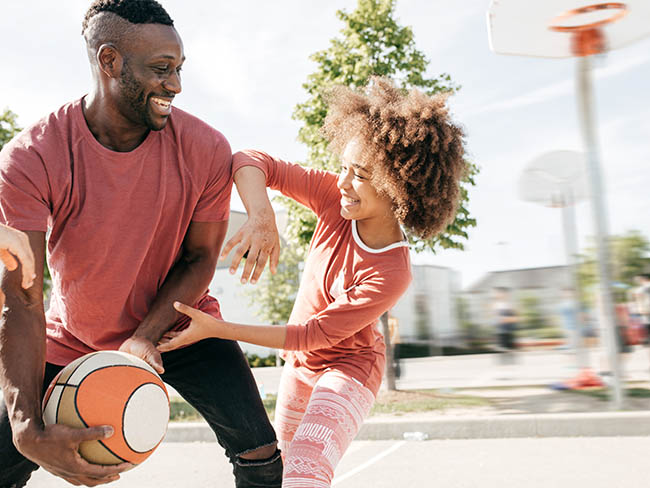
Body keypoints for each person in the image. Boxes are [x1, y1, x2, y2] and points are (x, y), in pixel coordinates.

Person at [0, 1, 282, 487]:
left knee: (261, 455)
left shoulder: (205, 148)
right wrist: (26, 428)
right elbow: (21, 296)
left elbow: (199, 258)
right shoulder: (31, 157)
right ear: (109, 62)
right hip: (73, 333)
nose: (175, 84)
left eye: (178, 68)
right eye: (161, 69)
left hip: (178, 319)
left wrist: (146, 335)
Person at [158, 77, 467, 487]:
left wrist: (217, 330)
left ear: (399, 186)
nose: (342, 182)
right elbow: (251, 159)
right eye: (344, 167)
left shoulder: (392, 271)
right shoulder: (332, 199)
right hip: (300, 369)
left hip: (349, 369)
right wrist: (261, 216)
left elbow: (313, 335)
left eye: (359, 174)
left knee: (306, 469)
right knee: (285, 472)